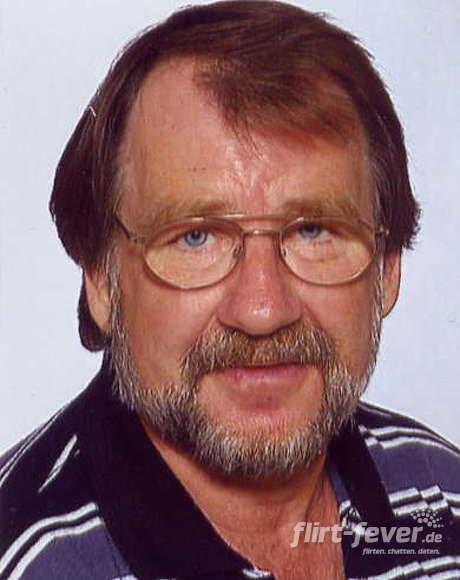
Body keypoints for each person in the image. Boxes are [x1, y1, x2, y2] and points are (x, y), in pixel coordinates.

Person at [1, 1, 459, 578]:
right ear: (101, 279)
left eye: (313, 230)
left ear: (388, 267)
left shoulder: (443, 496)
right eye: (195, 237)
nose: (263, 310)